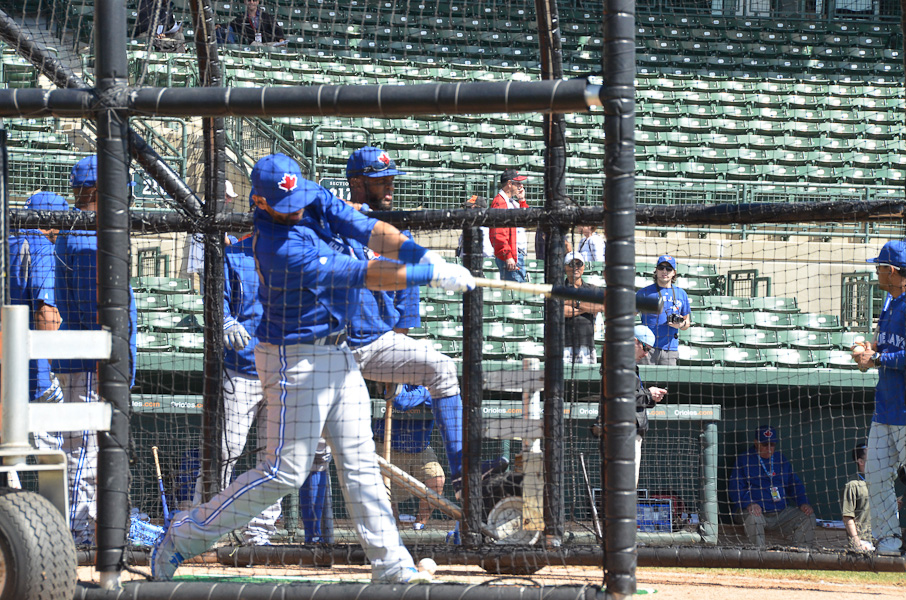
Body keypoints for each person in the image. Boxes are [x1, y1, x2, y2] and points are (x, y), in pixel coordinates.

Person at [152, 153, 474, 582]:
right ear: (260, 203)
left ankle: (392, 565)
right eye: (285, 206)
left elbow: (368, 229)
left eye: (298, 200)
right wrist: (422, 275)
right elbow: (360, 273)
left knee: (360, 462)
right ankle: (183, 536)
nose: (297, 210)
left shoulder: (309, 195)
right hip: (293, 359)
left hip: (339, 352)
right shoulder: (278, 246)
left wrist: (421, 255)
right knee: (284, 472)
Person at [343, 146, 464, 494]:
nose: (390, 187)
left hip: (375, 343)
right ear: (358, 183)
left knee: (442, 368)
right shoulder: (337, 224)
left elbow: (404, 314)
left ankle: (461, 475)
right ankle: (315, 527)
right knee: (319, 451)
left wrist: (392, 370)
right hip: (330, 346)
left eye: (391, 180)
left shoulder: (400, 234)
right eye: (382, 181)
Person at [54, 156, 137, 546]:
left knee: (90, 451)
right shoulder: (87, 234)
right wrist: (112, 364)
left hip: (91, 361)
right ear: (97, 189)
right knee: (84, 452)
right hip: (92, 363)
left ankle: (86, 529)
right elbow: (97, 311)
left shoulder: (89, 229)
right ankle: (78, 533)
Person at [191, 220, 281, 546]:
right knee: (225, 451)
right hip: (242, 370)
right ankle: (204, 525)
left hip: (282, 372)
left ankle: (260, 532)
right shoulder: (233, 255)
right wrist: (226, 321)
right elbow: (216, 299)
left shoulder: (293, 254)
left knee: (274, 457)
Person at [853, 240, 906, 556]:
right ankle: (889, 542)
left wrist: (877, 359)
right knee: (875, 476)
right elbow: (880, 347)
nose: (876, 272)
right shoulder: (888, 302)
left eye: (880, 267)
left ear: (893, 271)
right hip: (884, 409)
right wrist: (866, 350)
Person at [10, 192, 67, 452]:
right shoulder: (43, 248)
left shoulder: (8, 244)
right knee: (56, 459)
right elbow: (46, 313)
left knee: (9, 456)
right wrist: (58, 370)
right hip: (37, 378)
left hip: (8, 373)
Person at [591, 325, 665, 485]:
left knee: (627, 485)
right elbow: (622, 397)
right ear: (634, 341)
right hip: (621, 433)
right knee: (622, 485)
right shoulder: (618, 362)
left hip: (627, 431)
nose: (646, 354)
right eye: (645, 348)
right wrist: (649, 394)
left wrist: (650, 397)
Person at [729, 426, 816, 549]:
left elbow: (794, 484)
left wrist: (803, 503)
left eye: (772, 444)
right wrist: (749, 503)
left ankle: (800, 555)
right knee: (753, 518)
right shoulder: (744, 459)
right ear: (756, 443)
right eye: (765, 444)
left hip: (780, 513)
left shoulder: (780, 459)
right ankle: (759, 555)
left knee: (808, 517)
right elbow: (735, 488)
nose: (769, 448)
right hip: (755, 513)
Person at [372, 384, 445, 530]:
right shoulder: (396, 378)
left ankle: (419, 526)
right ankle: (393, 528)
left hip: (419, 449)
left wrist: (421, 393)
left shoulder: (433, 381)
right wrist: (425, 391)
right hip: (387, 446)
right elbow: (401, 402)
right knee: (384, 492)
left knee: (436, 480)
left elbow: (439, 401)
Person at [635, 254, 691, 366]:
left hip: (670, 349)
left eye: (668, 269)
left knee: (668, 378)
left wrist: (681, 324)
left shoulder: (681, 294)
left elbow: (687, 323)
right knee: (645, 377)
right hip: (647, 348)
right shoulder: (644, 293)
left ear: (674, 272)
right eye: (661, 268)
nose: (664, 271)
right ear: (656, 270)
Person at [187, 180, 238, 292]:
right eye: (228, 196)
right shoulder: (213, 210)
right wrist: (234, 241)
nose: (229, 200)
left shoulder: (204, 206)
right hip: (209, 261)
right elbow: (225, 240)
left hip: (203, 261)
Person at [562, 252, 604, 365]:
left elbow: (601, 306)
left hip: (587, 345)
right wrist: (588, 307)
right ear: (565, 267)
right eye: (571, 264)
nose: (575, 267)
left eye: (579, 264)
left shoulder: (592, 289)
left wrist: (576, 303)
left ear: (583, 267)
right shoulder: (560, 289)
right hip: (564, 345)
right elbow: (560, 311)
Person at [489, 169, 529, 282]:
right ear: (509, 184)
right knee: (516, 290)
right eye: (518, 183)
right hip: (510, 255)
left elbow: (526, 220)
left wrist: (522, 200)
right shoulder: (500, 202)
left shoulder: (511, 202)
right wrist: (507, 255)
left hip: (515, 254)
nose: (521, 186)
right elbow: (498, 233)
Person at [842, 442, 873, 552]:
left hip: (882, 539)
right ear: (861, 462)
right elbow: (847, 517)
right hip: (864, 541)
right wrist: (856, 542)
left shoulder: (881, 482)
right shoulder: (852, 485)